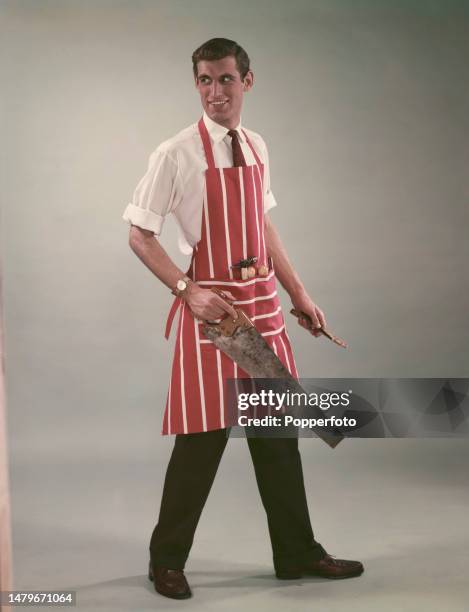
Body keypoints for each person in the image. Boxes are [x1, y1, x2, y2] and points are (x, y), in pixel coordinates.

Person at [122, 37, 363, 600]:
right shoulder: (174, 153)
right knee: (202, 441)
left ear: (247, 82)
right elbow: (139, 233)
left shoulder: (255, 145)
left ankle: (296, 552)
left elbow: (262, 224)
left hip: (263, 311)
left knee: (277, 438)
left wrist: (299, 292)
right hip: (217, 318)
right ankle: (165, 562)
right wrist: (188, 291)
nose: (215, 93)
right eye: (204, 80)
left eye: (225, 80)